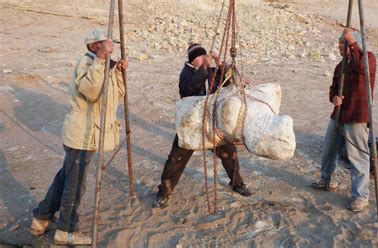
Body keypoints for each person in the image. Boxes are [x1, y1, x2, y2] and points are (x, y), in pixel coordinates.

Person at [30, 29, 128, 245]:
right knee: (75, 184)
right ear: (95, 46)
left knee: (66, 177)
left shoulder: (103, 67)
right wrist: (102, 60)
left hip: (90, 132)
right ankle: (65, 231)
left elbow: (117, 96)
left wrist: (119, 72)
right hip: (82, 133)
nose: (112, 48)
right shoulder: (88, 64)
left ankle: (41, 217)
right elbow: (92, 92)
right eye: (106, 45)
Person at [152, 44, 252, 209]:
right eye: (202, 56)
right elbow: (192, 85)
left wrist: (221, 64)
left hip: (212, 123)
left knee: (229, 153)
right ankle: (163, 193)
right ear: (194, 59)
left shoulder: (209, 71)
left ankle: (237, 183)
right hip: (191, 124)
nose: (206, 58)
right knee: (176, 159)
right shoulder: (187, 74)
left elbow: (229, 80)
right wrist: (206, 65)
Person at [312, 28, 376, 212]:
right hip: (339, 114)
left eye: (343, 42)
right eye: (339, 42)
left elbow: (361, 67)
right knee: (329, 149)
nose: (339, 45)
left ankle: (361, 196)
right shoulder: (340, 66)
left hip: (356, 115)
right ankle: (326, 180)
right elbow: (333, 88)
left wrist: (353, 43)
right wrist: (334, 98)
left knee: (358, 157)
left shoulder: (368, 58)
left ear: (351, 43)